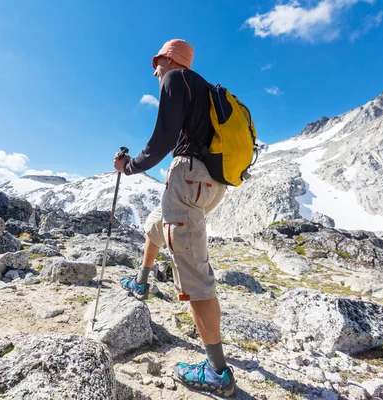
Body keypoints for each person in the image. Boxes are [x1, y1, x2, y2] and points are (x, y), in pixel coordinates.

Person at [113, 39, 235, 397]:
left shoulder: (175, 80)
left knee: (194, 273)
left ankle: (218, 372)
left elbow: (162, 138)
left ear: (170, 59)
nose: (155, 71)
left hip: (188, 177)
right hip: (210, 184)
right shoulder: (206, 90)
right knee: (157, 226)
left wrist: (130, 166)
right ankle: (141, 282)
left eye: (157, 62)